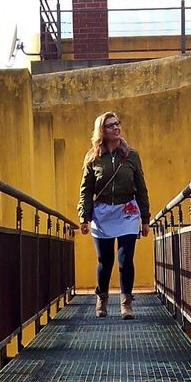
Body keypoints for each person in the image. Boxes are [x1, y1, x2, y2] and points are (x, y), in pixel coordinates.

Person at [78, 110, 150, 318]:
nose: (116, 127)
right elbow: (86, 189)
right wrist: (84, 216)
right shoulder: (93, 157)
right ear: (102, 131)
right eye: (111, 125)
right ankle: (101, 300)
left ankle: (126, 304)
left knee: (125, 258)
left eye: (117, 123)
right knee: (105, 260)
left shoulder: (131, 155)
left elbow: (141, 187)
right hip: (102, 213)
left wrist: (145, 218)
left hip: (127, 210)